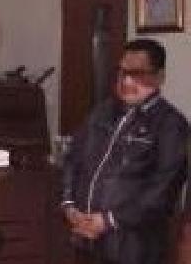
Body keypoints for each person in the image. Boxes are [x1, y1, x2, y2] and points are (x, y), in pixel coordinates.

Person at [61, 38, 189, 264]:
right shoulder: (101, 113)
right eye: (122, 72)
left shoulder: (171, 125)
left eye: (138, 74)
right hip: (85, 241)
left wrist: (108, 220)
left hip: (134, 248)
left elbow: (163, 190)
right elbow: (73, 158)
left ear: (159, 77)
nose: (127, 81)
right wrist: (69, 205)